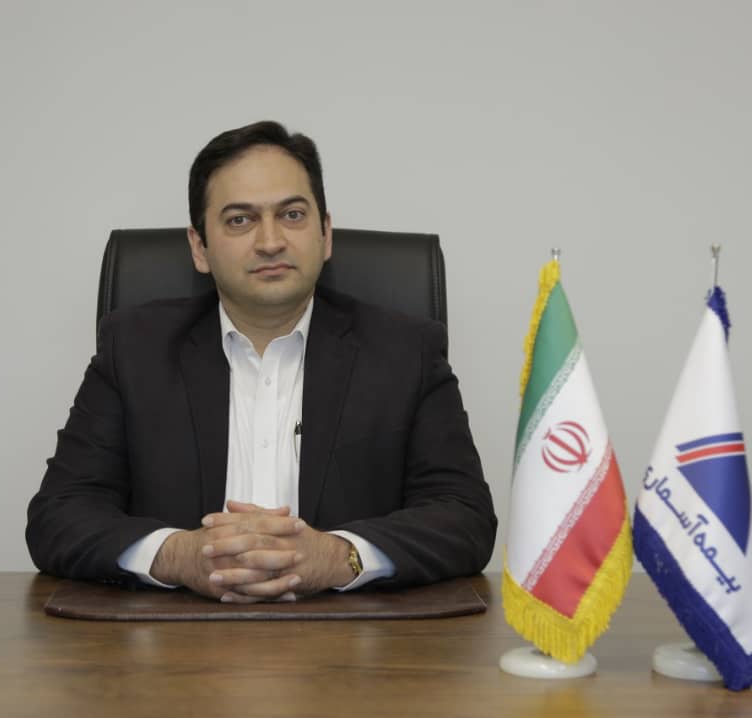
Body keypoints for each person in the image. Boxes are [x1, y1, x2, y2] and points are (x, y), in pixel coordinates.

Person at [26, 121, 496, 603]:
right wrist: (179, 556)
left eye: (292, 214)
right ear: (199, 247)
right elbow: (59, 515)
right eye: (239, 220)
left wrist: (338, 558)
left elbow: (465, 516)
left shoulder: (407, 351)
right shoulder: (135, 349)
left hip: (352, 636)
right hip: (176, 634)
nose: (270, 241)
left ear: (325, 234)